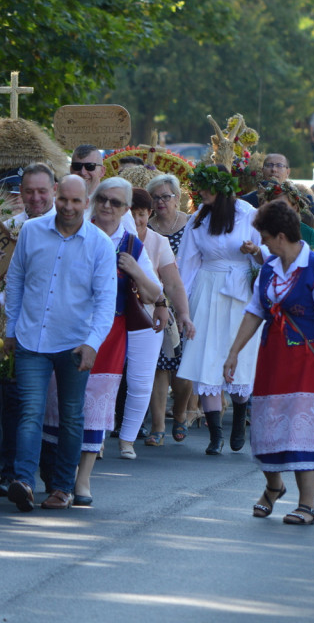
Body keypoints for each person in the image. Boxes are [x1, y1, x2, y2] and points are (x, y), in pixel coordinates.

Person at [223, 201, 314, 525]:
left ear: (281, 236)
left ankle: (307, 505)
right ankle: (273, 487)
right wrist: (234, 352)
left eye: (266, 237)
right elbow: (255, 311)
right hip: (273, 357)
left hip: (307, 360)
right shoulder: (269, 267)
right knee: (266, 426)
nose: (263, 242)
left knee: (301, 429)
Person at [4, 175, 116, 511]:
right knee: (30, 412)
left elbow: (105, 300)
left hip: (74, 343)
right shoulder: (32, 231)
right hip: (31, 338)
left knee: (70, 416)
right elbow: (16, 280)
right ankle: (23, 480)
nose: (68, 207)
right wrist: (11, 329)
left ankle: (62, 488)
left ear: (87, 202)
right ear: (56, 196)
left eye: (76, 201)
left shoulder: (99, 244)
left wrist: (93, 343)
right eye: (63, 199)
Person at [44, 178, 160, 504]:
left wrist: (135, 270)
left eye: (116, 203)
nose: (107, 207)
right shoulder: (76, 231)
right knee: (60, 401)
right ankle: (56, 476)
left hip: (111, 333)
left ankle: (82, 481)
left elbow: (155, 294)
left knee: (97, 404)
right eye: (103, 200)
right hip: (68, 328)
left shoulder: (132, 245)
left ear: (125, 210)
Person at [0, 164, 58, 494]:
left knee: (45, 405)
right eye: (29, 192)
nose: (35, 198)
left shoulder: (66, 227)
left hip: (53, 329)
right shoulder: (7, 229)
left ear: (54, 190)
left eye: (42, 191)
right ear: (20, 194)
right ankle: (9, 471)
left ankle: (54, 478)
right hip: (12, 326)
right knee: (9, 398)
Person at [176, 164, 266, 454]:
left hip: (240, 293)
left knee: (238, 356)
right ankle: (215, 436)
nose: (199, 192)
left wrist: (254, 252)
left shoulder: (248, 214)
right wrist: (182, 306)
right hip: (207, 289)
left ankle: (239, 416)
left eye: (205, 187)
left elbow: (268, 256)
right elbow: (187, 264)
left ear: (222, 190)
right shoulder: (197, 220)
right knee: (207, 357)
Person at [129, 187, 195, 448]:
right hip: (128, 314)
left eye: (141, 215)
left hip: (159, 312)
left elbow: (174, 284)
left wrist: (185, 314)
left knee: (179, 372)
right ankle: (156, 426)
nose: (136, 221)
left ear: (149, 214)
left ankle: (179, 413)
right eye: (131, 214)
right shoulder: (114, 238)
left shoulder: (158, 242)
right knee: (156, 371)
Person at [146, 174, 200, 443]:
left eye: (165, 196)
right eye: (155, 198)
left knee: (183, 366)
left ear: (179, 198)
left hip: (187, 301)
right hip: (155, 302)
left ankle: (179, 415)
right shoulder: (147, 228)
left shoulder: (191, 225)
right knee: (158, 366)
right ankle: (157, 427)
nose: (160, 202)